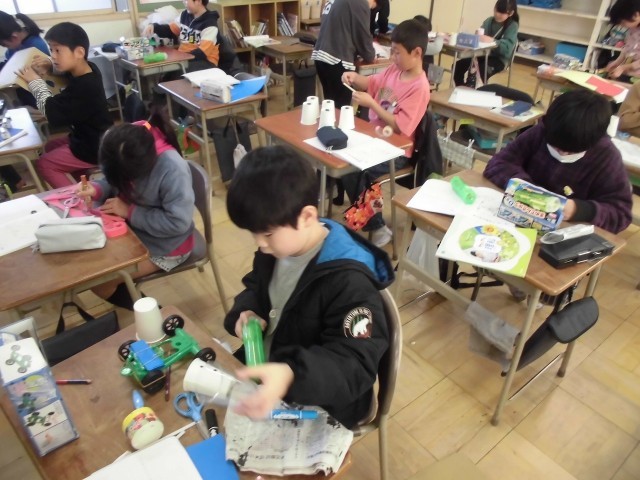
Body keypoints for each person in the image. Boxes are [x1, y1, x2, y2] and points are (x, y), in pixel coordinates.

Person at [223, 145, 393, 428]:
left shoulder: (349, 281)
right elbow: (256, 287)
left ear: (306, 217)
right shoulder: (278, 248)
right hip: (269, 370)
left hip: (320, 402)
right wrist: (248, 310)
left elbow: (355, 364)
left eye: (266, 233)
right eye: (254, 233)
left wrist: (291, 375)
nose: (260, 243)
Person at [76, 106, 195, 310]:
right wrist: (96, 189)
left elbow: (178, 223)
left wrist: (129, 211)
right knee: (90, 259)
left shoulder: (172, 168)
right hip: (132, 229)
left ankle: (154, 314)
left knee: (100, 281)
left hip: (168, 245)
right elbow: (113, 179)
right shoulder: (124, 142)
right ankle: (135, 298)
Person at [484, 89, 632, 235]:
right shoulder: (541, 132)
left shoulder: (607, 157)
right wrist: (527, 189)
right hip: (518, 217)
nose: (562, 153)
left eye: (570, 152)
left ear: (594, 141)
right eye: (555, 147)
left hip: (564, 232)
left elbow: (621, 214)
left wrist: (577, 210)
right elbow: (499, 164)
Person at [340, 18, 430, 247]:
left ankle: (377, 227)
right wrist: (354, 77)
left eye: (397, 52)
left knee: (356, 170)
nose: (393, 57)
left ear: (417, 53)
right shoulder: (394, 70)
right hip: (375, 138)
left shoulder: (419, 87)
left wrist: (373, 104)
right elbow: (372, 83)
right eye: (392, 51)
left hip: (397, 150)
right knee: (342, 159)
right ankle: (368, 220)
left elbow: (402, 126)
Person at [16, 22, 113, 189]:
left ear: (79, 52)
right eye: (51, 50)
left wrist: (34, 82)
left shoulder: (86, 86)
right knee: (50, 146)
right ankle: (81, 185)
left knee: (44, 163)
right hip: (91, 136)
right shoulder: (89, 68)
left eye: (58, 50)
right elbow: (67, 71)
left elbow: (50, 111)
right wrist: (50, 65)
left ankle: (77, 198)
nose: (53, 56)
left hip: (94, 146)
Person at [0, 11, 49, 192]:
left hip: (40, 101)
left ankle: (24, 162)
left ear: (13, 37)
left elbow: (40, 85)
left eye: (3, 44)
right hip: (27, 98)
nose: (4, 47)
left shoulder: (34, 48)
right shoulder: (16, 47)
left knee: (12, 114)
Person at [142, 0, 239, 74]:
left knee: (177, 74)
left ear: (198, 1)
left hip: (205, 62)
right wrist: (154, 26)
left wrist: (180, 57)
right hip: (185, 59)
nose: (183, 2)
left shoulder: (210, 24)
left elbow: (202, 53)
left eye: (186, 0)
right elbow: (171, 30)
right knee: (167, 74)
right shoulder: (185, 15)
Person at [312, 0, 376, 109]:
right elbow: (362, 35)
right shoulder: (360, 2)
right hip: (337, 59)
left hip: (321, 55)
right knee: (341, 109)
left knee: (330, 106)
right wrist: (370, 55)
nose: (370, 9)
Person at [453, 0, 519, 86]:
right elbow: (480, 38)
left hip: (499, 59)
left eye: (502, 13)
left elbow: (507, 49)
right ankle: (462, 88)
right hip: (482, 54)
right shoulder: (489, 21)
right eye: (496, 10)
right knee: (457, 67)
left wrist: (493, 41)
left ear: (511, 13)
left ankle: (473, 89)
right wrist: (476, 38)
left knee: (481, 70)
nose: (497, 14)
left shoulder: (513, 26)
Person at [606, 0, 640, 81]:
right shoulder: (633, 28)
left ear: (636, 15)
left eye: (623, 23)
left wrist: (623, 68)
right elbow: (627, 48)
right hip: (630, 73)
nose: (622, 26)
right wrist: (617, 62)